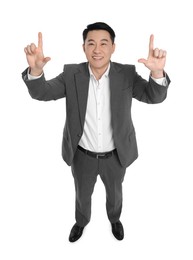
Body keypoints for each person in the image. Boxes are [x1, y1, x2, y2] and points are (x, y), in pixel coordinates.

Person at [22, 22, 170, 242]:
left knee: (115, 193)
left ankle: (114, 219)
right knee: (82, 195)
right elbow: (43, 92)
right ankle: (81, 222)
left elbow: (153, 96)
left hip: (116, 155)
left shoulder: (126, 74)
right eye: (91, 43)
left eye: (104, 43)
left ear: (113, 47)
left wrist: (157, 73)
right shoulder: (72, 73)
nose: (97, 49)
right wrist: (36, 70)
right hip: (82, 155)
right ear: (84, 48)